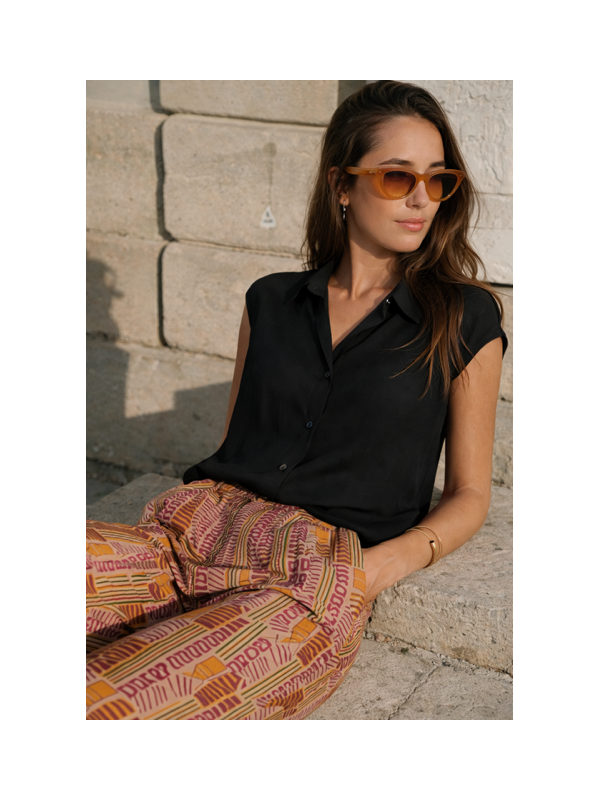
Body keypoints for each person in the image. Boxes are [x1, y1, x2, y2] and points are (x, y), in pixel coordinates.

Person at [86, 81, 508, 721]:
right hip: (186, 534)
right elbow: (237, 443)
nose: (422, 198)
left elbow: (470, 493)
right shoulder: (269, 301)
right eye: (398, 176)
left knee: (105, 705)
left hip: (308, 578)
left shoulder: (464, 317)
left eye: (438, 179)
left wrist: (372, 570)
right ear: (342, 185)